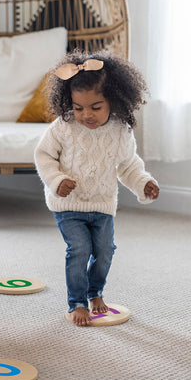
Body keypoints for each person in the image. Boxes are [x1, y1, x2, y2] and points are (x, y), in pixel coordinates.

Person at [34, 50, 160, 326]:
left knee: (105, 251)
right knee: (79, 249)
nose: (85, 114)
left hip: (102, 204)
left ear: (113, 101)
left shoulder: (120, 131)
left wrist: (144, 183)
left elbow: (128, 166)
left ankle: (95, 293)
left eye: (95, 107)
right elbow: (44, 156)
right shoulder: (63, 126)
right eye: (78, 108)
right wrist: (56, 181)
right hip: (68, 206)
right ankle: (77, 302)